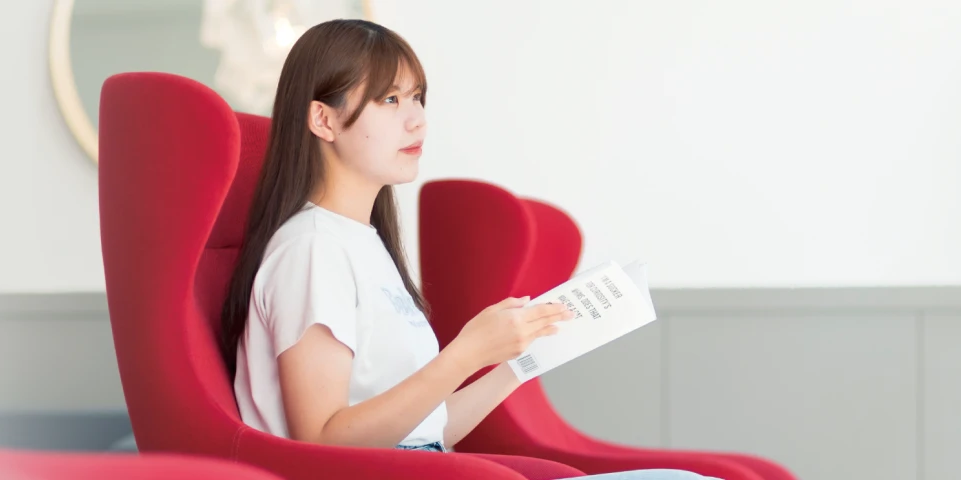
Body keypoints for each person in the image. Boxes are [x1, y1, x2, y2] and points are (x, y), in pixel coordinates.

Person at [218, 19, 718, 480]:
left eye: (418, 98)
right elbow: (322, 442)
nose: (417, 121)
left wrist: (520, 362)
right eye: (390, 100)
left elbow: (423, 433)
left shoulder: (364, 244)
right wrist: (464, 354)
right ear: (323, 120)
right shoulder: (312, 248)